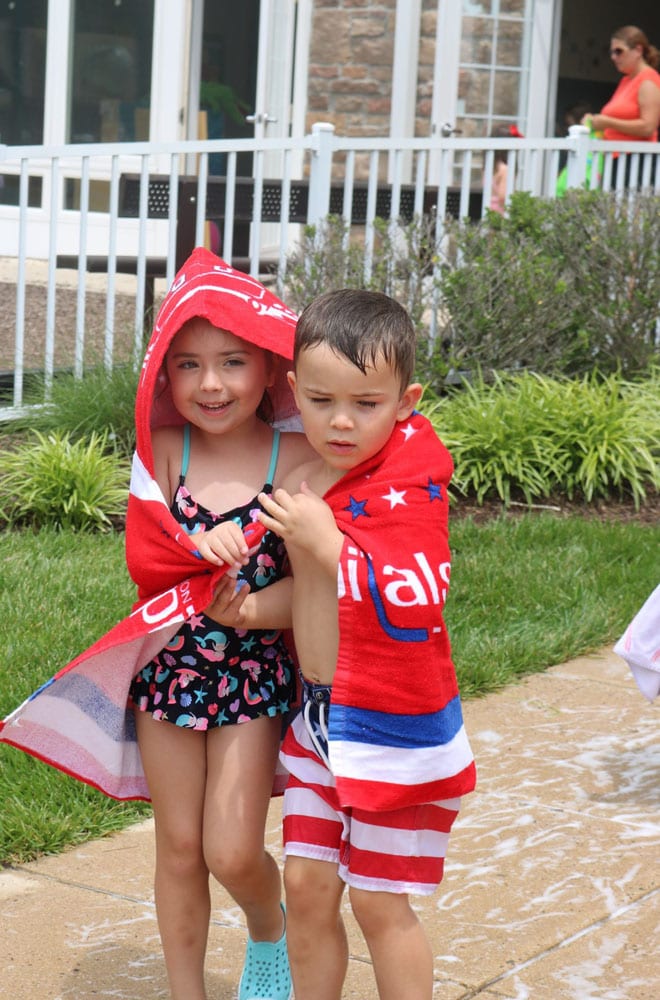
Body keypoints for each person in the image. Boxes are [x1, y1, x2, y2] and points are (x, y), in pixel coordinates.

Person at [0, 247, 314, 1000]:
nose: (211, 384)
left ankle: (270, 932)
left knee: (232, 850)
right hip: (168, 671)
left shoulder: (297, 455)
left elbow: (323, 578)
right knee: (178, 847)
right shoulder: (165, 450)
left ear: (270, 368)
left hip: (253, 678)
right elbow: (149, 552)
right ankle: (187, 993)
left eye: (233, 362)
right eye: (188, 365)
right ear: (163, 377)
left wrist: (254, 607)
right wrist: (193, 548)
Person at [257, 289, 477, 1000]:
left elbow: (412, 588)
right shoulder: (300, 481)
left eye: (366, 404)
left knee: (379, 901)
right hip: (317, 721)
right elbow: (316, 597)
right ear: (294, 390)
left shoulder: (406, 489)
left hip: (390, 726)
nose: (341, 422)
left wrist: (329, 543)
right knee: (306, 886)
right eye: (320, 401)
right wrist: (251, 610)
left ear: (406, 400)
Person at [583, 25, 660, 186]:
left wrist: (607, 122)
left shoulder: (648, 81)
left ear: (638, 50)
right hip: (615, 159)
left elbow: (648, 126)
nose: (613, 57)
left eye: (619, 51)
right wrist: (595, 121)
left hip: (635, 163)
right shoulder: (626, 80)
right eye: (611, 52)